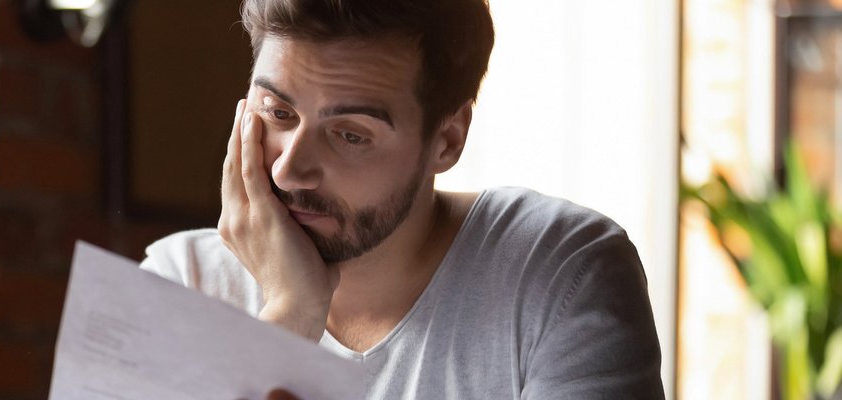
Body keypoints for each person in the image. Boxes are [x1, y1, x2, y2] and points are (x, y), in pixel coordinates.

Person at [138, 0, 664, 398]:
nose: (288, 169)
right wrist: (291, 316)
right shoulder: (181, 281)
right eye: (278, 113)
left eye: (350, 134)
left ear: (447, 139)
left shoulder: (558, 274)